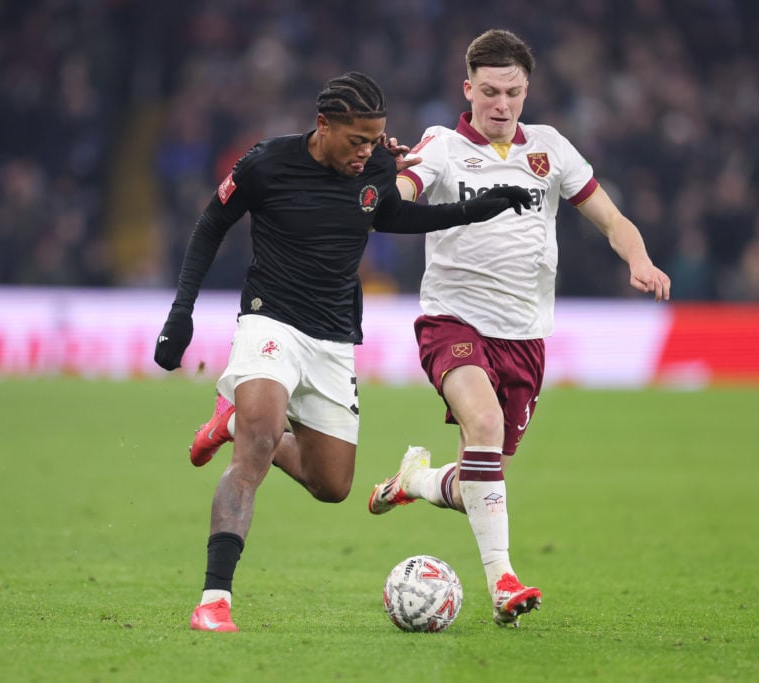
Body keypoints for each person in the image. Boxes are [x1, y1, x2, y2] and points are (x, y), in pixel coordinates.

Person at [153, 71, 531, 633]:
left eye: (375, 140)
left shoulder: (376, 165)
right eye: (357, 139)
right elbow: (211, 224)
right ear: (323, 125)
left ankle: (233, 422)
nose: (368, 152)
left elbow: (396, 217)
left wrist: (477, 208)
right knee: (258, 446)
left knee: (332, 485)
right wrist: (180, 312)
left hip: (333, 337)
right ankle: (214, 599)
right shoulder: (267, 164)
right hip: (270, 319)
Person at [364, 29, 672, 628]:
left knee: (482, 475)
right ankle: (503, 580)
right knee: (483, 424)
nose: (501, 104)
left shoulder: (551, 150)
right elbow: (401, 195)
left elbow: (611, 218)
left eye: (512, 92)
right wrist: (387, 184)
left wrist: (638, 258)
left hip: (526, 339)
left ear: (527, 91)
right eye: (489, 92)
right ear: (467, 89)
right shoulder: (444, 145)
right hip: (452, 321)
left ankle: (419, 480)